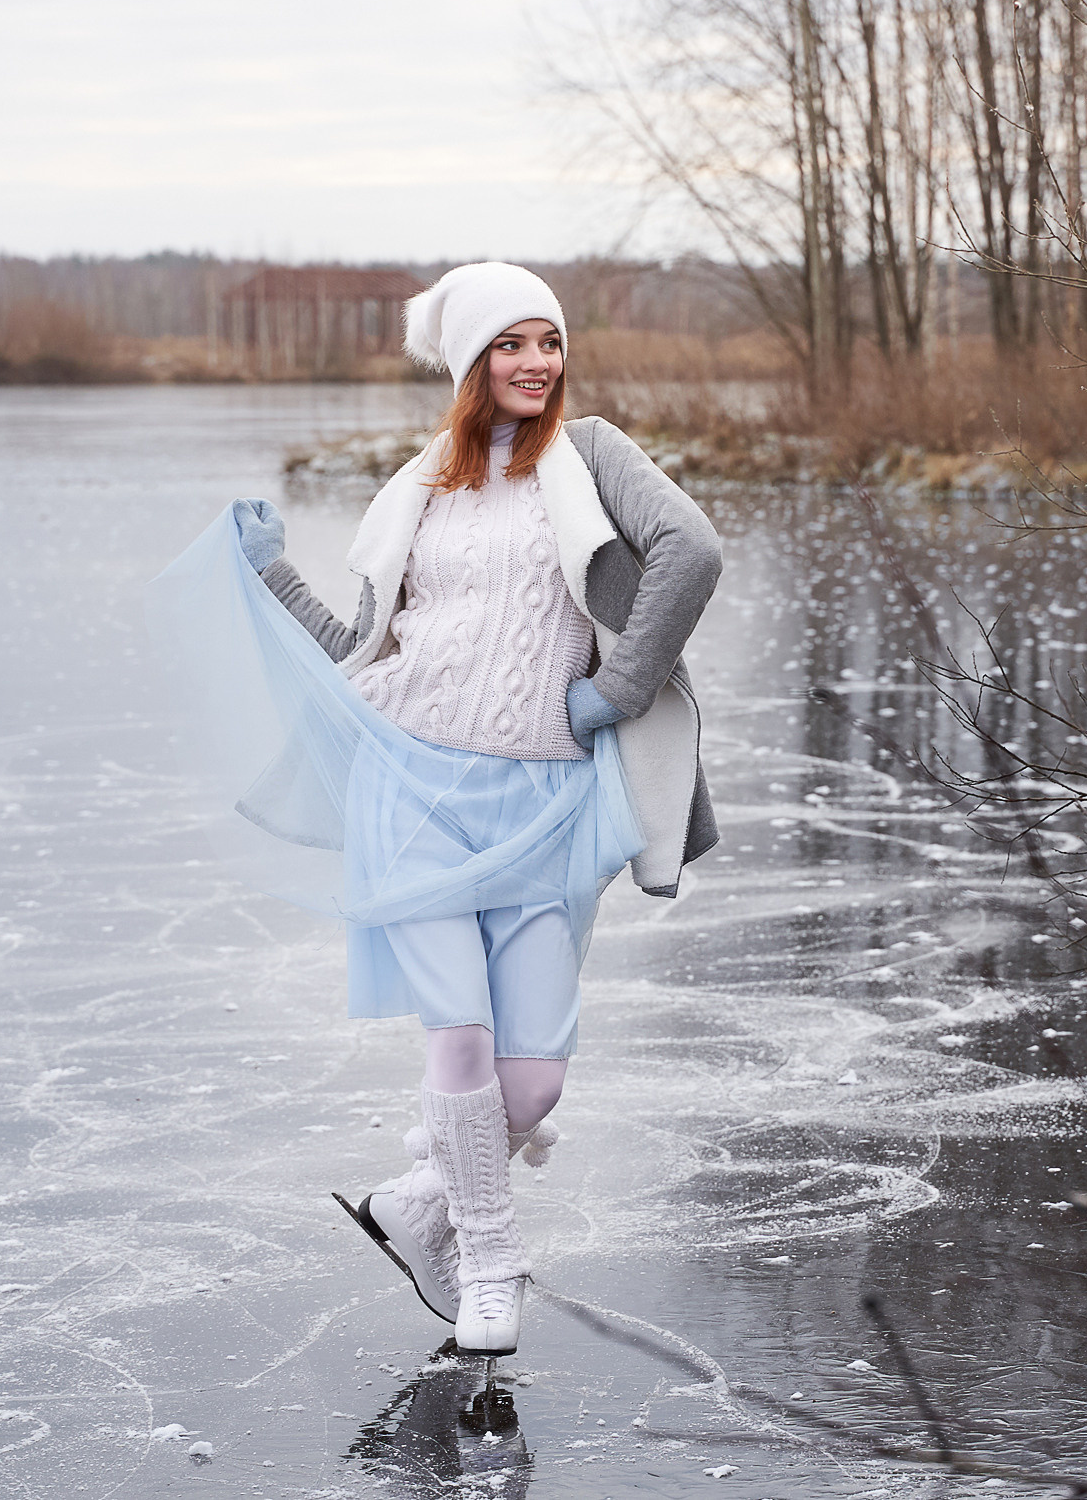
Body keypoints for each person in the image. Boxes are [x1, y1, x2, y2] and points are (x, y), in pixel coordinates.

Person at [210, 261, 721, 1357]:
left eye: (548, 341)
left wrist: (620, 687)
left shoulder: (592, 458)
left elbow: (694, 551)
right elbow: (368, 655)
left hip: (540, 799)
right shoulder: (418, 487)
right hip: (415, 790)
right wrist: (275, 580)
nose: (536, 362)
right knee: (459, 1043)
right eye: (511, 344)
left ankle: (418, 1196)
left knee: (528, 1083)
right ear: (471, 363)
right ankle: (489, 1263)